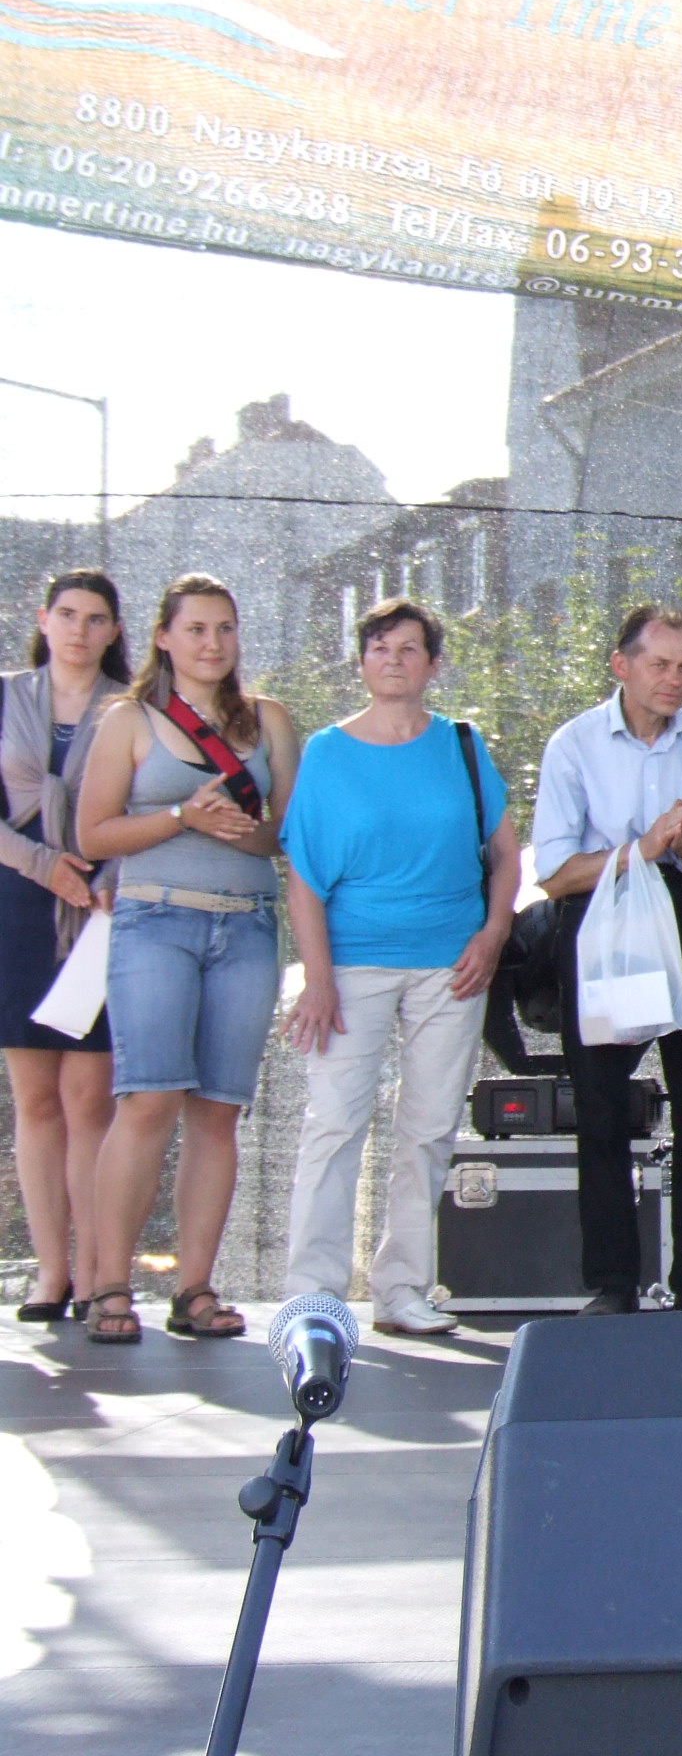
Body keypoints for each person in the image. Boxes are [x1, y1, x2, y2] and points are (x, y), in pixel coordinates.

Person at [279, 599, 516, 1338]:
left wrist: (493, 934)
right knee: (335, 1123)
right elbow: (303, 879)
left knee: (429, 1127)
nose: (392, 659)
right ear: (361, 662)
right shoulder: (327, 751)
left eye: (408, 648)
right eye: (378, 647)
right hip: (351, 966)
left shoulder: (462, 743)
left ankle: (403, 1288)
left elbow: (506, 854)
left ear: (432, 664)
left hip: (452, 966)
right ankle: (313, 1296)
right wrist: (317, 979)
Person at [76, 576, 302, 1344]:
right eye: (197, 629)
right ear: (163, 637)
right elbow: (93, 835)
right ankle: (110, 1285)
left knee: (218, 1111)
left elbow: (289, 834)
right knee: (148, 1099)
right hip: (155, 921)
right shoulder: (128, 719)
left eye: (225, 629)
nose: (213, 643)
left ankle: (195, 1287)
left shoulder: (269, 719)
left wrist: (241, 829)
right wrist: (180, 816)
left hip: (247, 928)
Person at [534, 606, 682, 1315]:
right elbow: (554, 875)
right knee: (601, 1108)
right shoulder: (575, 744)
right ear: (621, 666)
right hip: (603, 922)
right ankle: (613, 1284)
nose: (674, 680)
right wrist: (641, 850)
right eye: (660, 665)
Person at [3, 573, 127, 1322]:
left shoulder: (131, 706)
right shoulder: (5, 697)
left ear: (115, 630)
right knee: (36, 1100)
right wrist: (44, 865)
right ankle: (49, 1273)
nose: (80, 630)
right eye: (69, 615)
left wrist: (104, 879)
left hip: (103, 911)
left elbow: (144, 806)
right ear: (43, 619)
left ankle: (93, 1275)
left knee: (90, 1100)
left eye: (96, 618)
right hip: (17, 904)